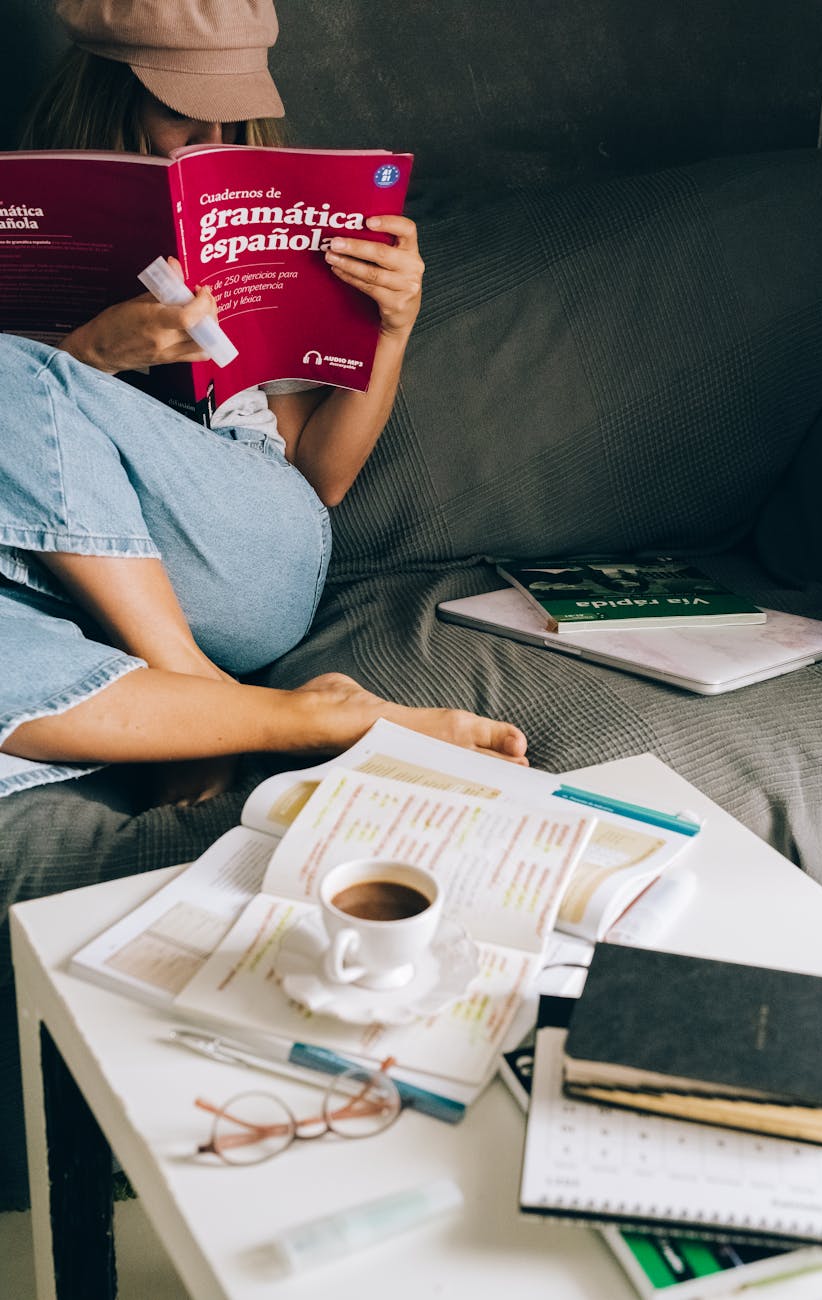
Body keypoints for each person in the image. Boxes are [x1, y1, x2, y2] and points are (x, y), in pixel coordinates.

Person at [0, 0, 528, 806]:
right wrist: (95, 354)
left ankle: (193, 684)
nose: (215, 143)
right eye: (184, 117)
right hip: (54, 584)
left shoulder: (257, 219)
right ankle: (256, 718)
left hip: (242, 554)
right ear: (106, 95)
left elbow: (320, 479)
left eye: (235, 120)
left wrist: (391, 328)